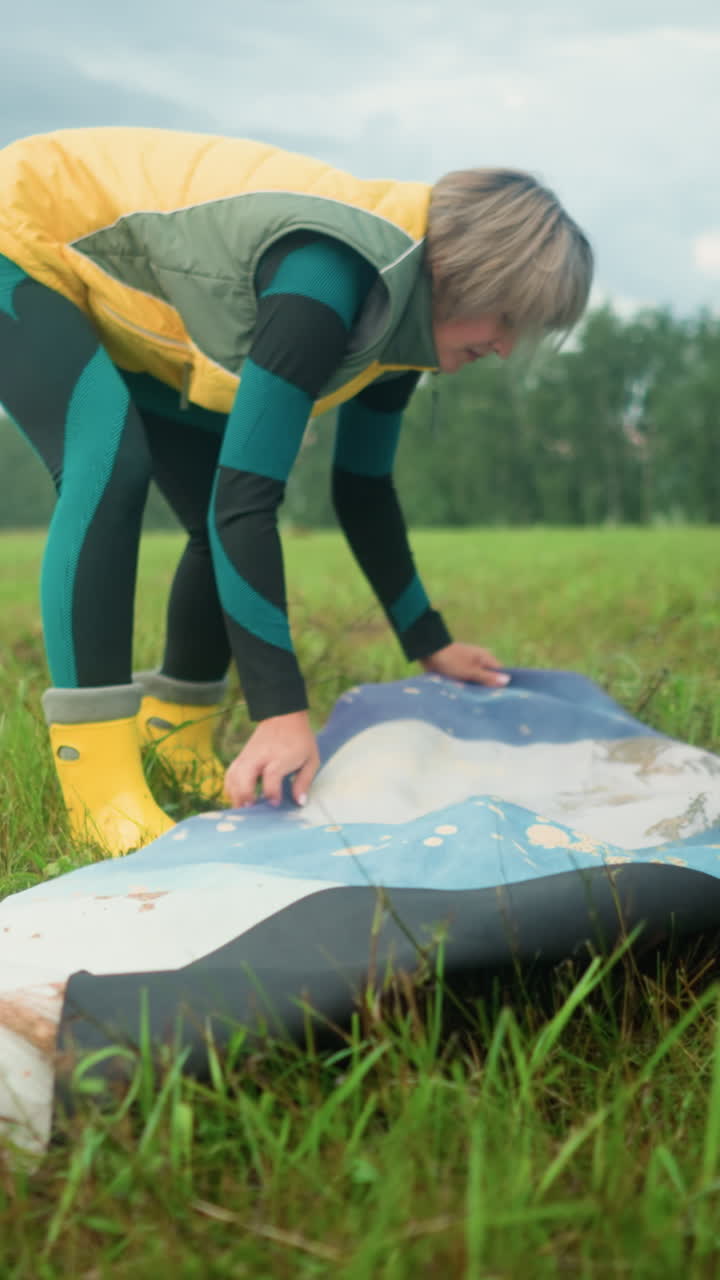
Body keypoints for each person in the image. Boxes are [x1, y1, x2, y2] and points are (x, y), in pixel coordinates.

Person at [0, 127, 593, 856]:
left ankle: (174, 734)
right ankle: (97, 788)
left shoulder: (401, 330)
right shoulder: (329, 279)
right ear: (466, 268)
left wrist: (427, 641)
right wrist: (281, 712)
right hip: (23, 232)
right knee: (108, 467)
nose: (505, 347)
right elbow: (243, 504)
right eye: (509, 317)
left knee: (209, 522)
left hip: (142, 320)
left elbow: (364, 490)